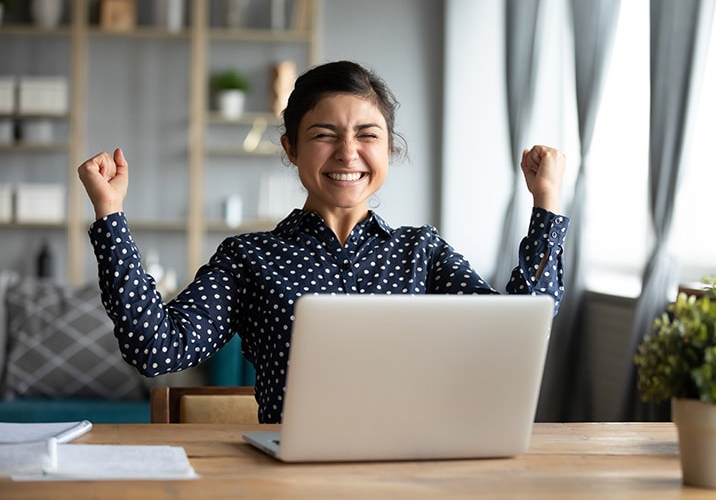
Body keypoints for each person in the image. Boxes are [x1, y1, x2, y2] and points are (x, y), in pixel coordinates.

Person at [77, 60, 570, 423]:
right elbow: (155, 349)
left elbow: (516, 331)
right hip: (288, 475)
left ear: (389, 148)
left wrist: (545, 202)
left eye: (367, 135)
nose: (348, 152)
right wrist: (110, 214)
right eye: (324, 134)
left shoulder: (423, 252)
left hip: (413, 469)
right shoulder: (248, 258)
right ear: (290, 148)